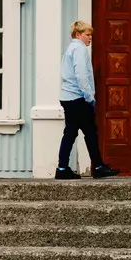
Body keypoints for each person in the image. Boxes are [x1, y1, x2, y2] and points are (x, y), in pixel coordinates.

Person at [56, 19, 119, 179]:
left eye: (90, 35)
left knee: (72, 132)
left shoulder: (71, 48)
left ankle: (63, 168)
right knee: (89, 132)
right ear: (78, 35)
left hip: (69, 97)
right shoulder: (79, 49)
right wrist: (89, 97)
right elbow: (81, 75)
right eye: (87, 34)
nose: (90, 38)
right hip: (78, 98)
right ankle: (97, 167)